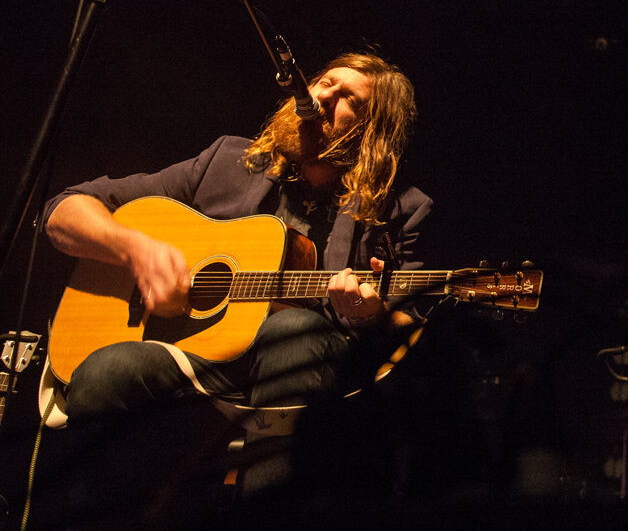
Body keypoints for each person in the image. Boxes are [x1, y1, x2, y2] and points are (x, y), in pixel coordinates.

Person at [43, 50, 431, 492]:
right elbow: (64, 210)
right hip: (193, 357)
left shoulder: (400, 209)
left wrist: (372, 314)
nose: (324, 97)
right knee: (104, 370)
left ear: (373, 131)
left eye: (350, 100)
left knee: (295, 331)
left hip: (305, 375)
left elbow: (414, 339)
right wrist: (138, 250)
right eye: (326, 83)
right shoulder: (228, 161)